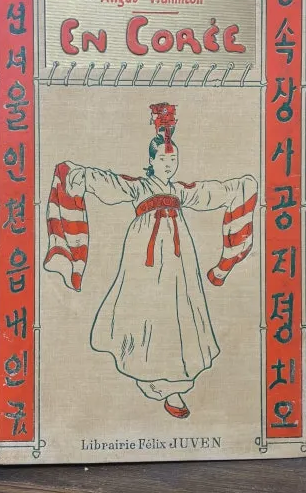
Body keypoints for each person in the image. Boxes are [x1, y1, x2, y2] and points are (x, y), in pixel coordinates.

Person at [44, 104, 257, 419]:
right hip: (144, 253)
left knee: (179, 310)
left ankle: (175, 384)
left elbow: (210, 193)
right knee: (146, 310)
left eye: (173, 160)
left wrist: (241, 187)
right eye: (163, 159)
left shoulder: (181, 191)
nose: (169, 165)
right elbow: (107, 183)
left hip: (179, 257)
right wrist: (79, 175)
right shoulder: (139, 186)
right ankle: (148, 375)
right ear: (152, 161)